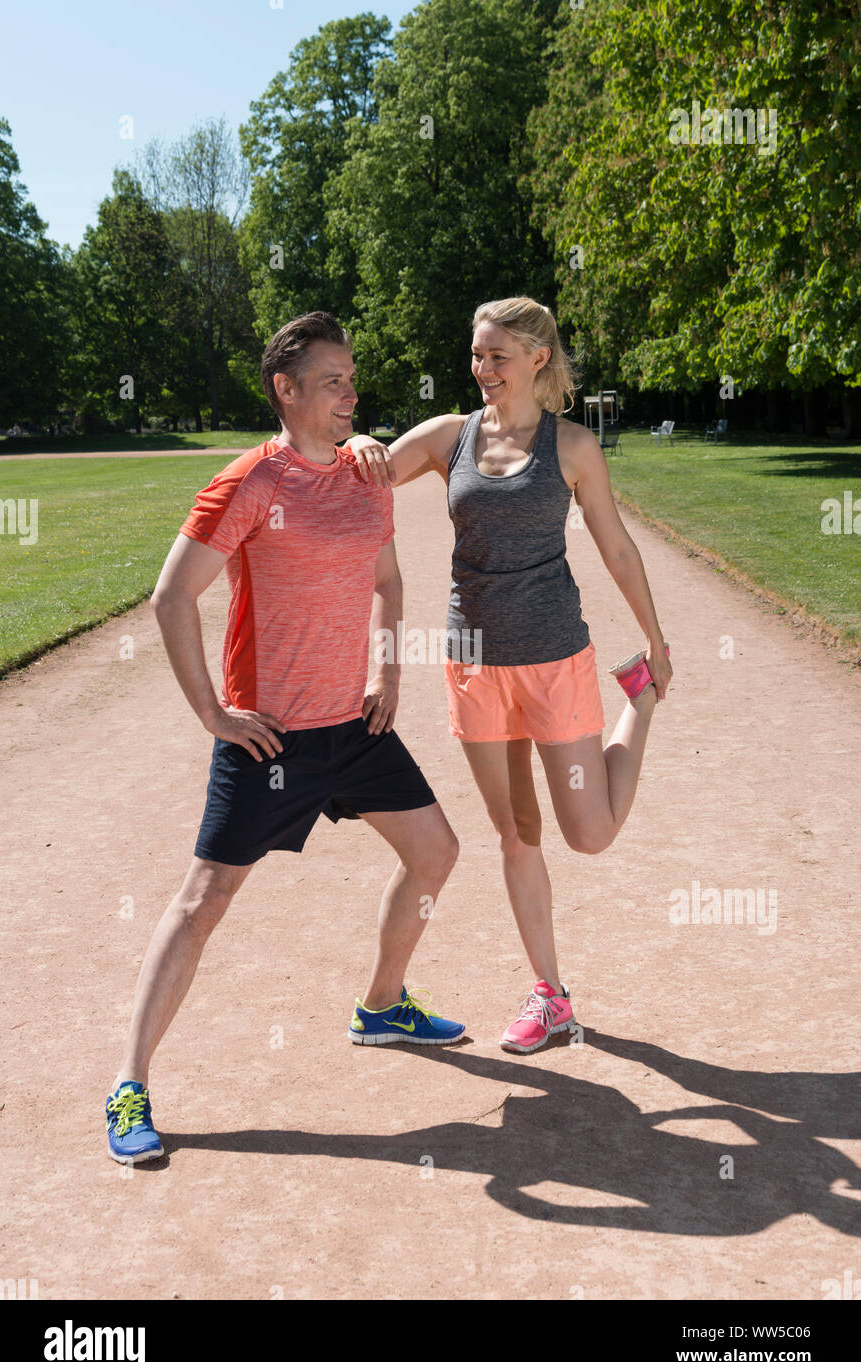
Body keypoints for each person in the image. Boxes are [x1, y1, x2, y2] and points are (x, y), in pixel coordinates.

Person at [105, 311, 464, 1165]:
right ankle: (129, 1086)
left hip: (356, 726)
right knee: (204, 902)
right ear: (287, 390)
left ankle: (381, 1007)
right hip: (270, 742)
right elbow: (170, 597)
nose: (350, 393)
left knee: (437, 852)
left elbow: (385, 577)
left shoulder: (363, 478)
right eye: (333, 380)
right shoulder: (248, 485)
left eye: (352, 379)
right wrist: (212, 716)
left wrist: (388, 671)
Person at [346, 297, 672, 1056]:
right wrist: (361, 437)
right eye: (475, 355)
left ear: (536, 358)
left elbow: (616, 549)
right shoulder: (446, 437)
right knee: (516, 834)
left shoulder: (573, 447)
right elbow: (356, 478)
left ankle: (641, 703)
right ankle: (550, 996)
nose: (481, 368)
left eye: (496, 355)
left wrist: (655, 640)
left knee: (587, 834)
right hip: (474, 665)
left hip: (556, 658)